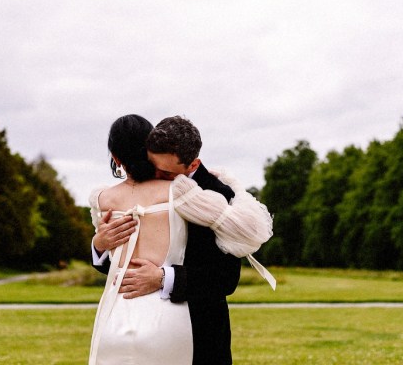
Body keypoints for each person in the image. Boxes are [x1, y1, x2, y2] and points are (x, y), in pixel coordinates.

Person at [92, 115, 274, 365]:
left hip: (201, 332)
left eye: (165, 172)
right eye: (152, 164)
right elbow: (122, 267)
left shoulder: (216, 193)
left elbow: (225, 278)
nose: (155, 174)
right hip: (129, 321)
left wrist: (162, 277)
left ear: (191, 165)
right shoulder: (128, 196)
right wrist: (99, 246)